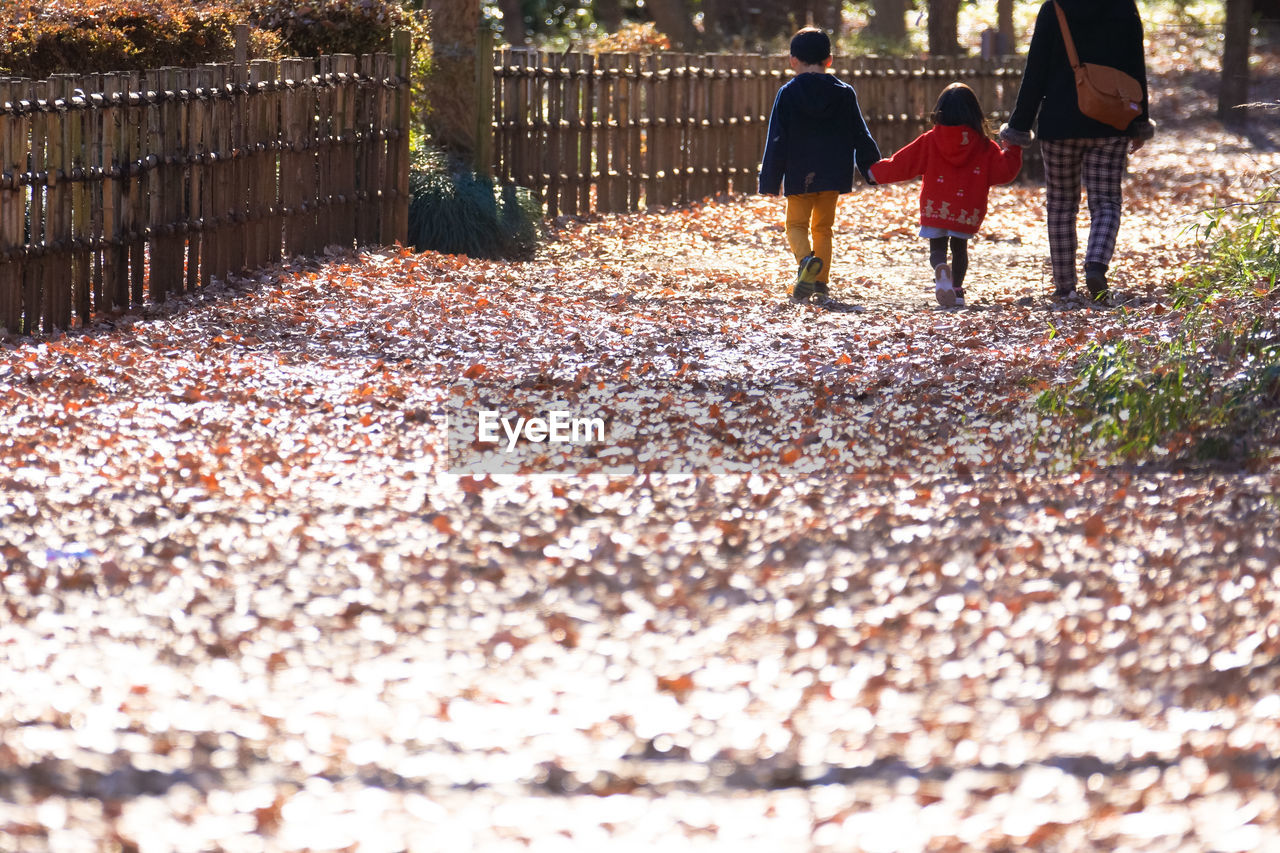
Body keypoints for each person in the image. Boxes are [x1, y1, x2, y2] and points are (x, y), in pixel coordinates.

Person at [1000, 0, 1156, 304]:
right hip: (1110, 122)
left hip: (1059, 124)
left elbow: (1035, 71)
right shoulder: (1123, 7)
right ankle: (1095, 265)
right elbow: (1136, 67)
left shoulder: (1054, 8)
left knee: (1060, 206)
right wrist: (1138, 121)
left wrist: (1018, 127)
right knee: (1106, 201)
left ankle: (1066, 287)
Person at [868, 82, 1024, 307]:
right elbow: (1004, 172)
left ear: (939, 111)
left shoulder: (929, 141)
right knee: (960, 249)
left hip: (935, 205)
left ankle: (940, 269)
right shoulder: (984, 146)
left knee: (937, 248)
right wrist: (1013, 148)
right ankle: (957, 291)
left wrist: (875, 173)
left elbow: (902, 164)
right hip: (967, 209)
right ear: (974, 113)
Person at [758, 27, 881, 302]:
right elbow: (859, 132)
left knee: (796, 226)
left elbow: (777, 138)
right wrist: (872, 168)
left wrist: (769, 180)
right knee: (824, 229)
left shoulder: (787, 93)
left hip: (800, 171)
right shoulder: (844, 93)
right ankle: (821, 284)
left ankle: (805, 263)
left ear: (792, 60)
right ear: (830, 59)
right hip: (833, 172)